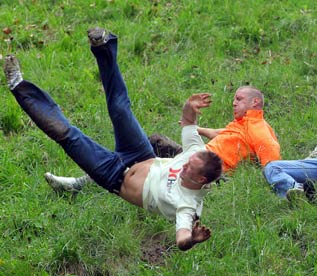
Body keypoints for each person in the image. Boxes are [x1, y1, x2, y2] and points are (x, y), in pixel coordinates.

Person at [3, 27, 223, 251]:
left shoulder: (188, 205)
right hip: (140, 154)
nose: (185, 164)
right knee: (119, 108)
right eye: (188, 161)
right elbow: (188, 122)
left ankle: (18, 86)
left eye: (189, 169)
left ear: (201, 180)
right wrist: (190, 106)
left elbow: (181, 238)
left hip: (113, 176)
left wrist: (192, 240)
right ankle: (103, 46)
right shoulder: (197, 154)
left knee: (68, 136)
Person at [45, 85, 281, 191]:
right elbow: (224, 134)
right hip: (197, 156)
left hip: (205, 169)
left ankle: (80, 184)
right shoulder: (242, 125)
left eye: (239, 99)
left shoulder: (258, 128)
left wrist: (280, 179)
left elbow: (273, 161)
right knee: (146, 152)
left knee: (152, 146)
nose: (234, 102)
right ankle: (87, 181)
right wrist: (196, 129)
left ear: (255, 103)